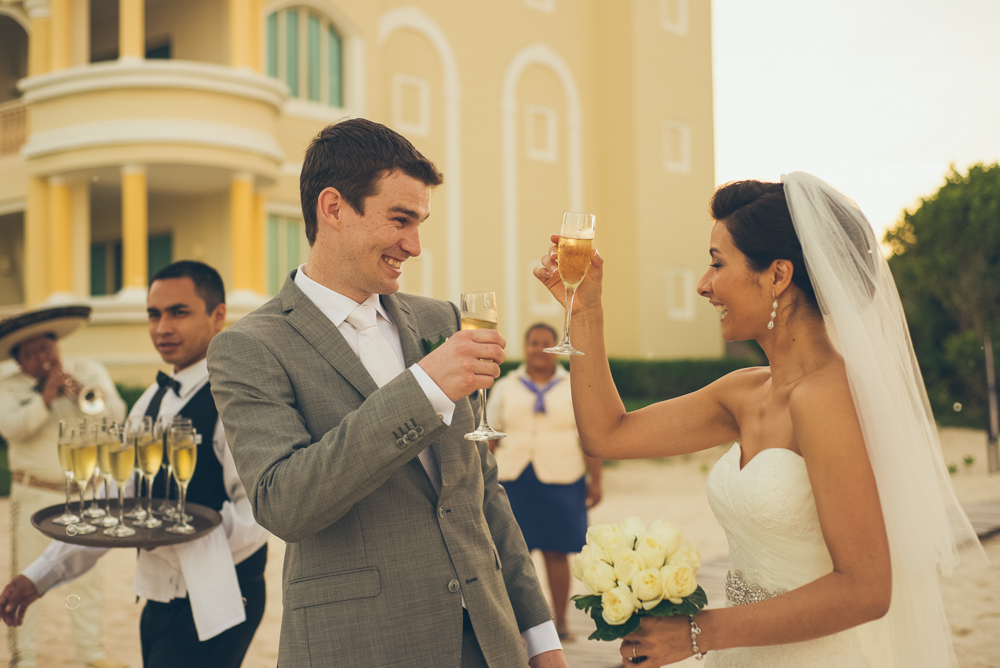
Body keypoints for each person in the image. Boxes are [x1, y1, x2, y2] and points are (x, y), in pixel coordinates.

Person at [534, 172, 988, 667]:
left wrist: (695, 633)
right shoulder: (744, 392)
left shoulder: (828, 398)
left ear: (777, 275)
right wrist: (586, 308)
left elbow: (866, 590)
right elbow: (606, 433)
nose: (704, 286)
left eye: (716, 263)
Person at [207, 118, 567, 668]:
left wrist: (540, 639)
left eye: (420, 223)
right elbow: (285, 504)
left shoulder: (440, 319)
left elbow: (483, 491)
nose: (415, 245)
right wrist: (422, 390)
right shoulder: (248, 346)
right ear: (333, 208)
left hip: (491, 643)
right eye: (400, 220)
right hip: (360, 646)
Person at [0, 261, 271, 668]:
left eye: (179, 312)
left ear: (218, 316)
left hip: (220, 598)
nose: (162, 327)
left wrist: (175, 535)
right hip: (158, 597)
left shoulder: (237, 397)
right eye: (153, 313)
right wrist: (39, 575)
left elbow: (260, 512)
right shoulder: (150, 401)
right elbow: (114, 500)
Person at [0, 305, 127, 668]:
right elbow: (12, 428)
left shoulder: (88, 371)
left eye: (47, 348)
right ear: (19, 360)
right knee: (26, 576)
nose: (42, 357)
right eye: (31, 353)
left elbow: (115, 418)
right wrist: (44, 397)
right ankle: (23, 656)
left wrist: (78, 393)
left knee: (87, 581)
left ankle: (92, 654)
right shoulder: (5, 386)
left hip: (85, 496)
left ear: (57, 346)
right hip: (34, 496)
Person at [486, 323, 602, 640]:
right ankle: (519, 625)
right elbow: (490, 436)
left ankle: (561, 622)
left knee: (556, 552)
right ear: (525, 348)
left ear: (555, 348)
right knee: (512, 555)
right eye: (533, 343)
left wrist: (596, 481)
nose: (539, 349)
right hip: (514, 480)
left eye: (545, 343)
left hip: (562, 478)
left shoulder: (573, 385)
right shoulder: (506, 385)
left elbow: (590, 437)